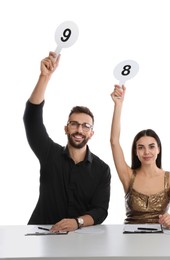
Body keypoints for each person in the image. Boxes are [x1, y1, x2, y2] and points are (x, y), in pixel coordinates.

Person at [23, 52, 111, 232]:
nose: (79, 130)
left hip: (79, 237)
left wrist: (76, 222)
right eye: (74, 124)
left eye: (85, 126)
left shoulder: (102, 170)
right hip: (41, 234)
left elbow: (100, 210)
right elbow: (31, 119)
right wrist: (44, 77)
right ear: (66, 128)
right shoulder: (49, 154)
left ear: (91, 133)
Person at [110, 85, 170, 228]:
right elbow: (114, 142)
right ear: (136, 151)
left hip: (160, 239)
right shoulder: (128, 175)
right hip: (131, 239)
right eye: (141, 147)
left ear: (159, 149)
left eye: (151, 146)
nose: (146, 152)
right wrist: (118, 105)